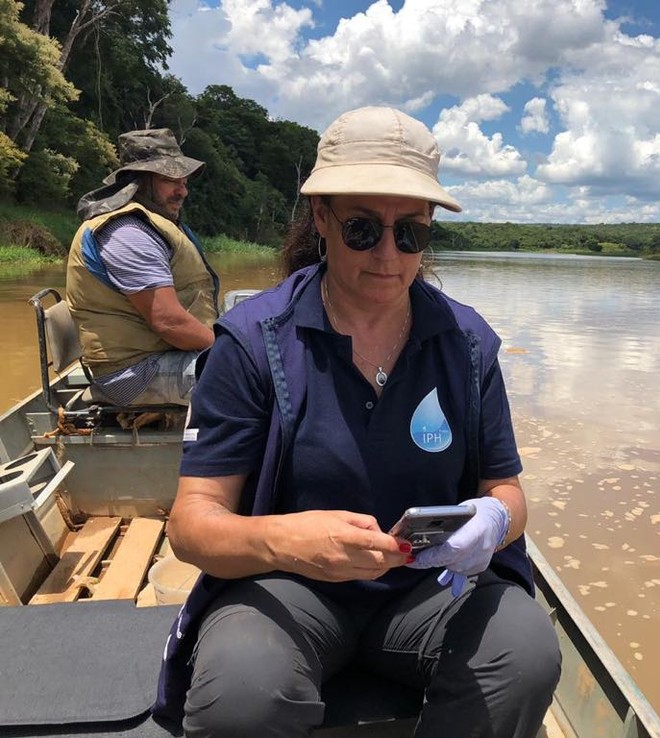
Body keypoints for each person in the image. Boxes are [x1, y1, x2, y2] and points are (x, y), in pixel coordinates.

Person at [153, 106, 561, 738]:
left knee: (525, 653)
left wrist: (495, 521)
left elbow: (506, 491)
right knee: (241, 693)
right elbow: (191, 524)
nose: (390, 256)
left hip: (427, 593)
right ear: (322, 218)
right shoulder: (252, 342)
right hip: (290, 587)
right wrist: (287, 541)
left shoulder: (468, 343)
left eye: (412, 234)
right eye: (364, 230)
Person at [65, 128, 219, 406]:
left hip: (158, 355)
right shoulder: (127, 232)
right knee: (251, 375)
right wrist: (230, 349)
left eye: (183, 181)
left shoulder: (150, 222)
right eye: (169, 180)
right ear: (139, 182)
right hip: (135, 373)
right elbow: (169, 322)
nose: (182, 191)